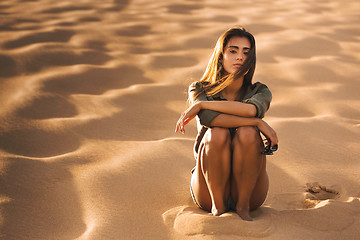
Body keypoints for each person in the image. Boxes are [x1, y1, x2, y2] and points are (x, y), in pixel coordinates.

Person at [175, 27, 278, 221]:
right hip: (207, 188)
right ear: (221, 55)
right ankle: (218, 207)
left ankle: (243, 207)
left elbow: (251, 110)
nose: (240, 57)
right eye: (233, 50)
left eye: (246, 53)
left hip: (251, 191)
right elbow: (209, 119)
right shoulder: (199, 88)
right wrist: (258, 123)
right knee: (217, 133)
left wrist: (202, 104)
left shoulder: (260, 91)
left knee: (248, 132)